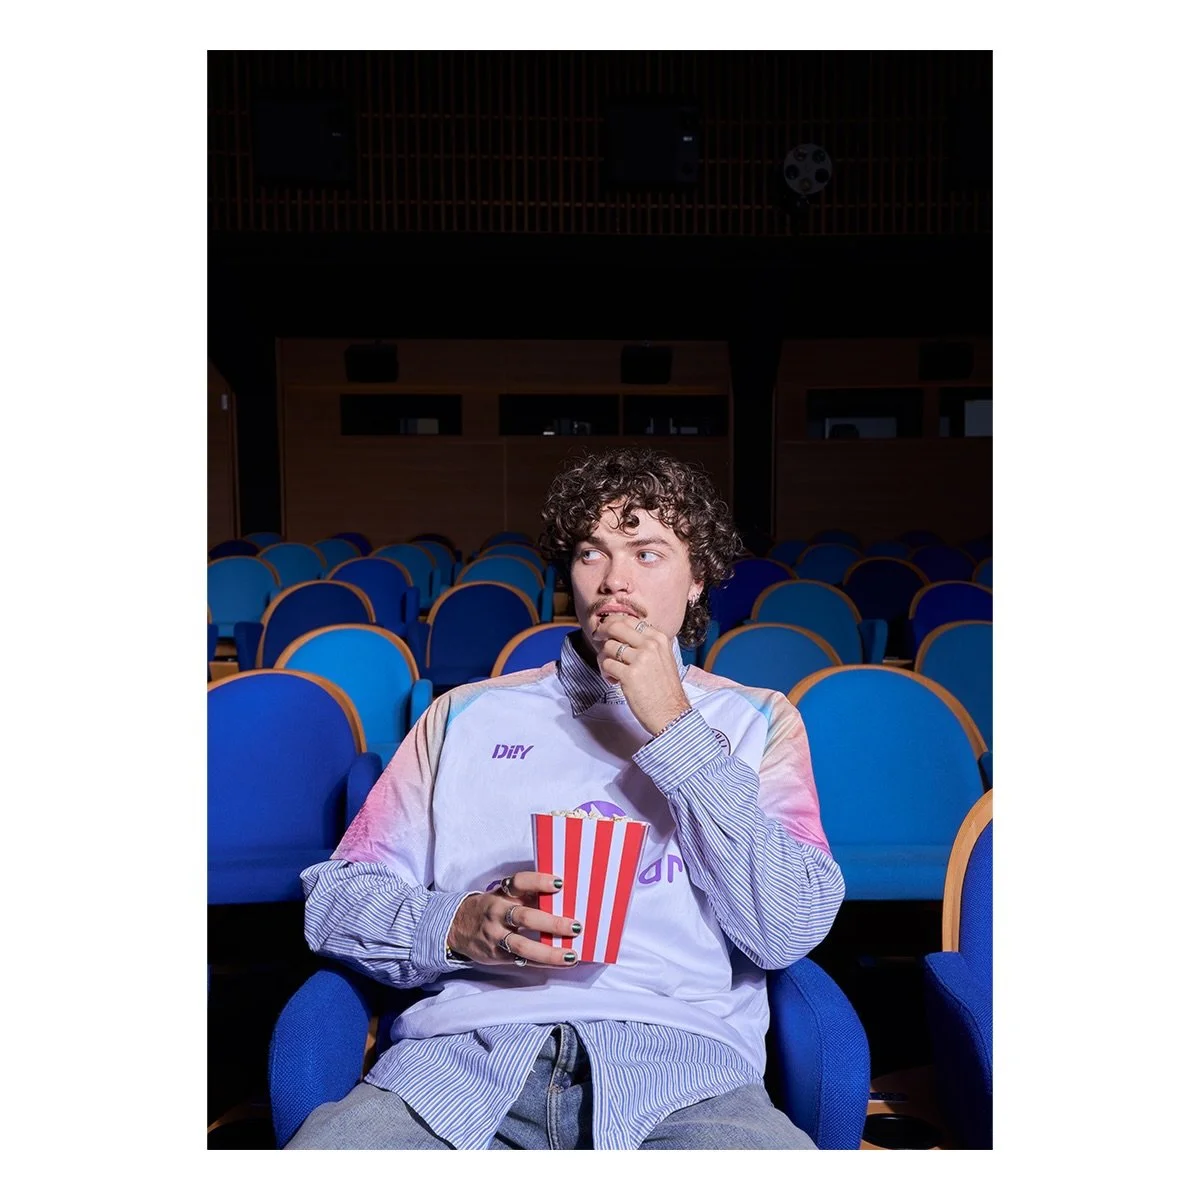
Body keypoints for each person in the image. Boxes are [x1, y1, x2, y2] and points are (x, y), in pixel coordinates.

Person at [286, 447, 845, 1150]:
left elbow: (788, 926)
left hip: (688, 1076)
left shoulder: (758, 720)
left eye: (647, 553)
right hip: (459, 1061)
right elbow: (335, 903)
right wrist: (454, 926)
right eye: (591, 553)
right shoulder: (463, 716)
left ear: (697, 576)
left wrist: (674, 725)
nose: (614, 581)